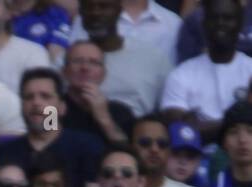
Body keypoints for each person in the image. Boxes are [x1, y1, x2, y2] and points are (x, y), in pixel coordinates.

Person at [160, 0, 252, 146]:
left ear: (240, 25)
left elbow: (195, 129)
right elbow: (183, 131)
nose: (221, 23)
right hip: (195, 160)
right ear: (204, 24)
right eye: (214, 18)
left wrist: (205, 125)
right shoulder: (181, 74)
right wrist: (237, 120)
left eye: (228, 18)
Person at [76, 0, 168, 119]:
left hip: (136, 132)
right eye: (88, 7)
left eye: (104, 6)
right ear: (80, 12)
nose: (95, 13)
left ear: (119, 11)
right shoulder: (66, 61)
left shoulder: (152, 57)